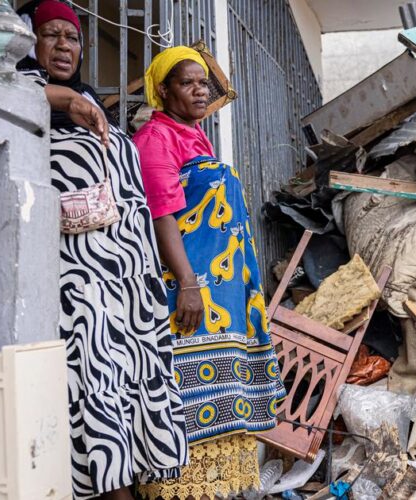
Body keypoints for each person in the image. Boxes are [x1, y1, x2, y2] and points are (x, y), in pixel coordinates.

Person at [15, 2, 189, 499]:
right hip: (80, 277)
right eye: (52, 36)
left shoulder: (91, 99)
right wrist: (65, 99)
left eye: (72, 38)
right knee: (92, 378)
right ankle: (112, 490)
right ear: (31, 41)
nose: (64, 46)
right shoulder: (20, 90)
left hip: (129, 279)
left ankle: (135, 480)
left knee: (134, 376)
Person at [133, 46, 286, 500]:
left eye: (204, 83)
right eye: (187, 82)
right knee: (182, 396)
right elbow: (162, 214)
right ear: (163, 90)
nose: (200, 90)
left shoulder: (194, 136)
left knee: (222, 399)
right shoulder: (156, 138)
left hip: (223, 300)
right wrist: (189, 284)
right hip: (188, 293)